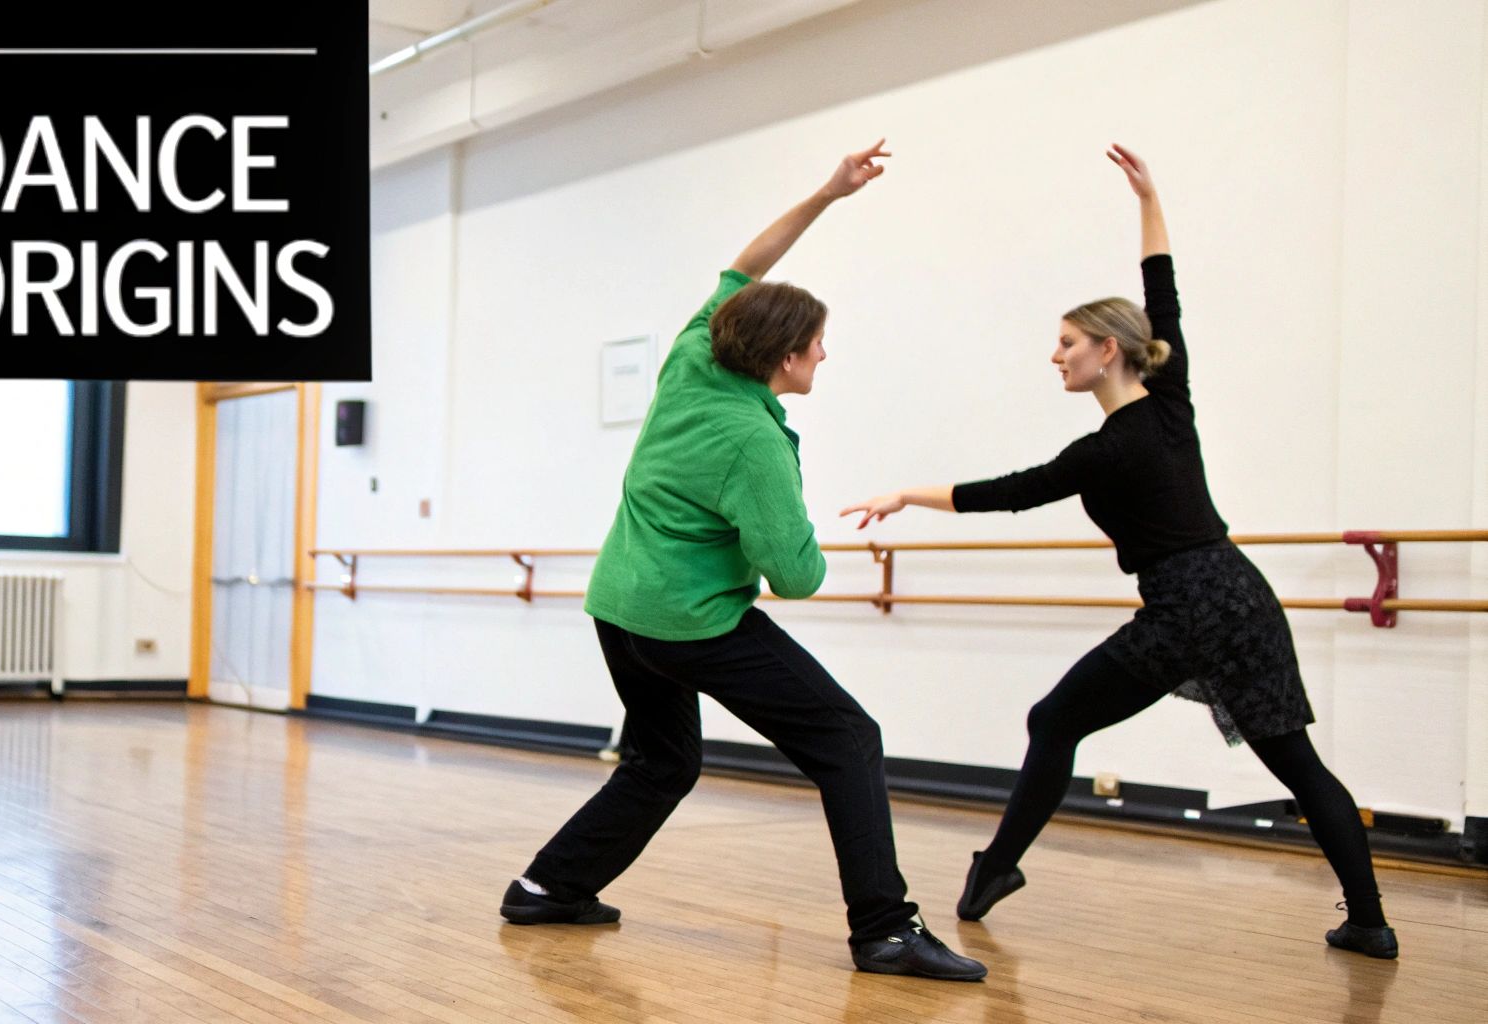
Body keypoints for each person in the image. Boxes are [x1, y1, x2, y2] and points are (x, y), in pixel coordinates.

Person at [839, 144, 1396, 960]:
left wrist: (904, 495)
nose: (1056, 355)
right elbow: (1161, 292)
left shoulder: (1102, 451)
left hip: (1188, 605)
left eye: (1067, 342)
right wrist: (1148, 197)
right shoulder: (1171, 403)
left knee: (1054, 718)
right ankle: (1371, 921)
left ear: (1107, 350)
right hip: (1243, 592)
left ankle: (996, 867)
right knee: (1296, 761)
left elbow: (1005, 492)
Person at [499, 139, 988, 982]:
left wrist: (830, 193)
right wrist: (800, 532)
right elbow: (796, 577)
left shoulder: (695, 354)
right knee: (848, 738)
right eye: (819, 346)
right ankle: (885, 930)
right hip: (691, 622)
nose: (825, 357)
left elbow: (746, 262)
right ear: (785, 359)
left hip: (620, 608)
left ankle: (549, 886)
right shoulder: (753, 443)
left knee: (664, 760)